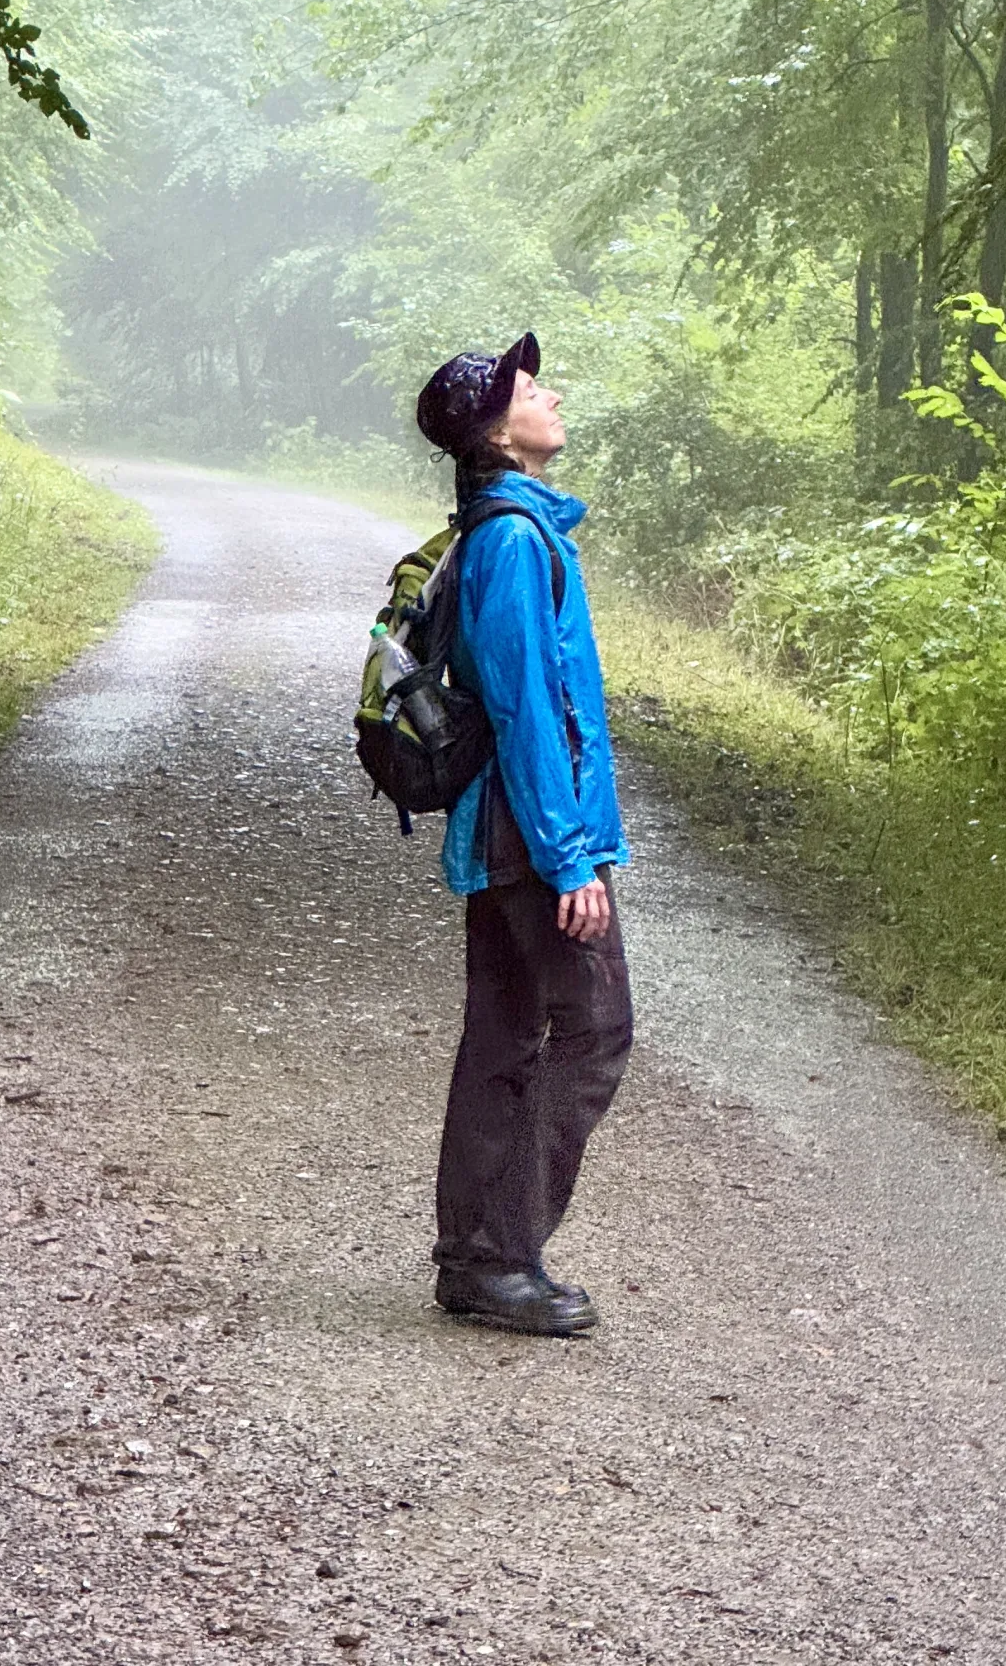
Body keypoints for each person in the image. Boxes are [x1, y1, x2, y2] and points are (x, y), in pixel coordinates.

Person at [413, 332, 632, 1338]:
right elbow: (526, 710)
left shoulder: (511, 530)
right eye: (529, 389)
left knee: (506, 1035)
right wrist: (569, 858)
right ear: (500, 433)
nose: (547, 396)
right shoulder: (510, 539)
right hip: (528, 834)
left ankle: (474, 1259)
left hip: (509, 832)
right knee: (591, 1033)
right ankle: (501, 1257)